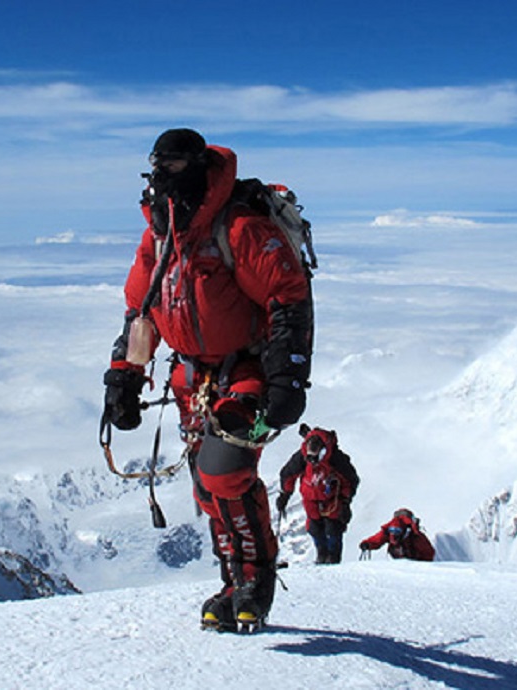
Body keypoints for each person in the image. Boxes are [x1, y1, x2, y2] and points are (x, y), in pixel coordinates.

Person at [102, 128, 313, 633]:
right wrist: (124, 375)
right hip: (190, 378)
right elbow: (143, 309)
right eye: (157, 167)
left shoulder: (238, 227)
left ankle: (256, 581)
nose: (162, 177)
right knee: (207, 488)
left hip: (247, 369)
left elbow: (288, 296)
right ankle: (233, 582)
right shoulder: (161, 233)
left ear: (197, 166)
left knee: (224, 472)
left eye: (173, 167)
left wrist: (288, 378)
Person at [276, 425, 359, 564]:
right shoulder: (302, 456)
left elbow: (350, 480)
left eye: (315, 458)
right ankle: (321, 553)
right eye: (310, 458)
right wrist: (285, 494)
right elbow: (288, 474)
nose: (312, 461)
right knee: (314, 528)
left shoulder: (335, 458)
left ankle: (333, 557)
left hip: (333, 499)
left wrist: (346, 502)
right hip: (310, 498)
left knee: (334, 528)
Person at [359, 508, 435, 561]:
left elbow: (428, 553)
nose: (394, 534)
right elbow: (377, 540)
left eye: (397, 531)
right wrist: (367, 544)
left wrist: (420, 566)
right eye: (392, 530)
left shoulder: (415, 536)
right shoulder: (388, 532)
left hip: (413, 566)